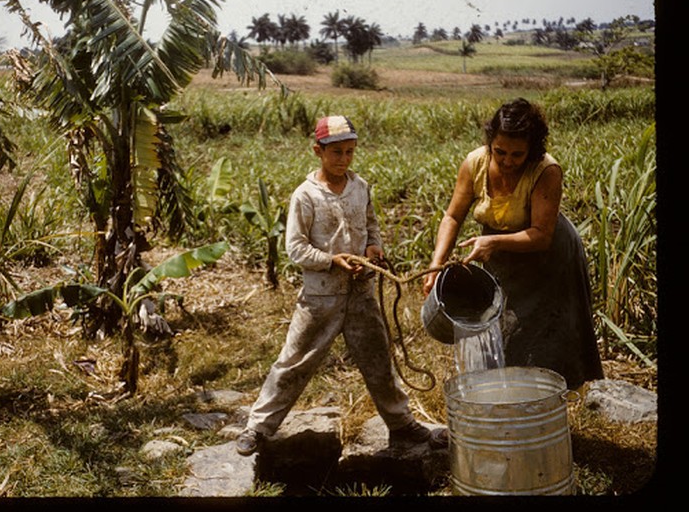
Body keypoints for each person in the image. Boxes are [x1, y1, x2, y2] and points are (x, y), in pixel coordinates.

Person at [236, 115, 448, 457]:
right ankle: (258, 428)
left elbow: (371, 225)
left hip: (361, 293)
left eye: (350, 152)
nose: (344, 160)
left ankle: (401, 426)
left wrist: (373, 248)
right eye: (336, 153)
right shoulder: (306, 196)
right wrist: (332, 260)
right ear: (317, 151)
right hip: (320, 296)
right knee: (294, 362)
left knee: (379, 360)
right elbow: (295, 248)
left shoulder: (359, 186)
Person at [423, 98, 604, 390]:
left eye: (517, 155)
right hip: (501, 252)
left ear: (532, 149)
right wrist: (435, 264)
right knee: (499, 323)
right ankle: (505, 392)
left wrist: (493, 241)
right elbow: (453, 217)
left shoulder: (546, 171)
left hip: (548, 256)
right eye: (500, 152)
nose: (507, 161)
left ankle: (546, 395)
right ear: (490, 142)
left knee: (544, 330)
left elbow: (541, 235)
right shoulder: (475, 164)